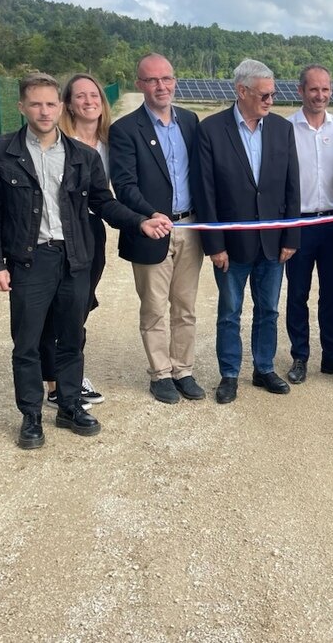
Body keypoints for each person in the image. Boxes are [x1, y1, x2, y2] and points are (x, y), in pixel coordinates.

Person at [0, 73, 171, 449]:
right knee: (27, 342)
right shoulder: (1, 152)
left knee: (71, 337)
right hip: (30, 261)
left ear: (60, 107)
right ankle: (31, 415)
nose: (44, 111)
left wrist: (141, 221)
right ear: (22, 107)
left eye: (50, 104)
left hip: (75, 258)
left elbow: (104, 202)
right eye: (35, 104)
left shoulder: (83, 156)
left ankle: (68, 405)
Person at [196, 59, 300, 405]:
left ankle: (264, 367)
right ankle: (229, 374)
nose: (271, 101)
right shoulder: (211, 130)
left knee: (268, 309)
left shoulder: (283, 130)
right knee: (230, 312)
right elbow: (206, 192)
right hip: (231, 245)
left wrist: (291, 236)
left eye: (273, 94)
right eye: (265, 95)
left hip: (273, 244)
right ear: (242, 91)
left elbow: (291, 188)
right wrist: (214, 244)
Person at [109, 53, 206, 405]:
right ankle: (160, 374)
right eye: (151, 80)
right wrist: (150, 214)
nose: (160, 86)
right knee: (153, 307)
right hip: (152, 229)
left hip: (191, 227)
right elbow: (124, 184)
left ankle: (183, 369)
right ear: (140, 85)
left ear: (175, 80)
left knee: (186, 306)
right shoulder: (124, 130)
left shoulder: (191, 122)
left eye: (166, 78)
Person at [284, 65, 333, 385]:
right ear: (300, 90)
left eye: (325, 89)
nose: (320, 96)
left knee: (331, 294)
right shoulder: (284, 128)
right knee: (297, 293)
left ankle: (331, 355)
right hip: (298, 223)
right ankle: (300, 356)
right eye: (314, 89)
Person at [38, 74, 114, 409]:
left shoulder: (111, 141)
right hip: (56, 235)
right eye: (80, 96)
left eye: (94, 95)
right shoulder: (56, 140)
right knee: (55, 309)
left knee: (79, 306)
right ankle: (55, 385)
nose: (89, 101)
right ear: (68, 103)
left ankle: (68, 374)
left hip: (92, 232)